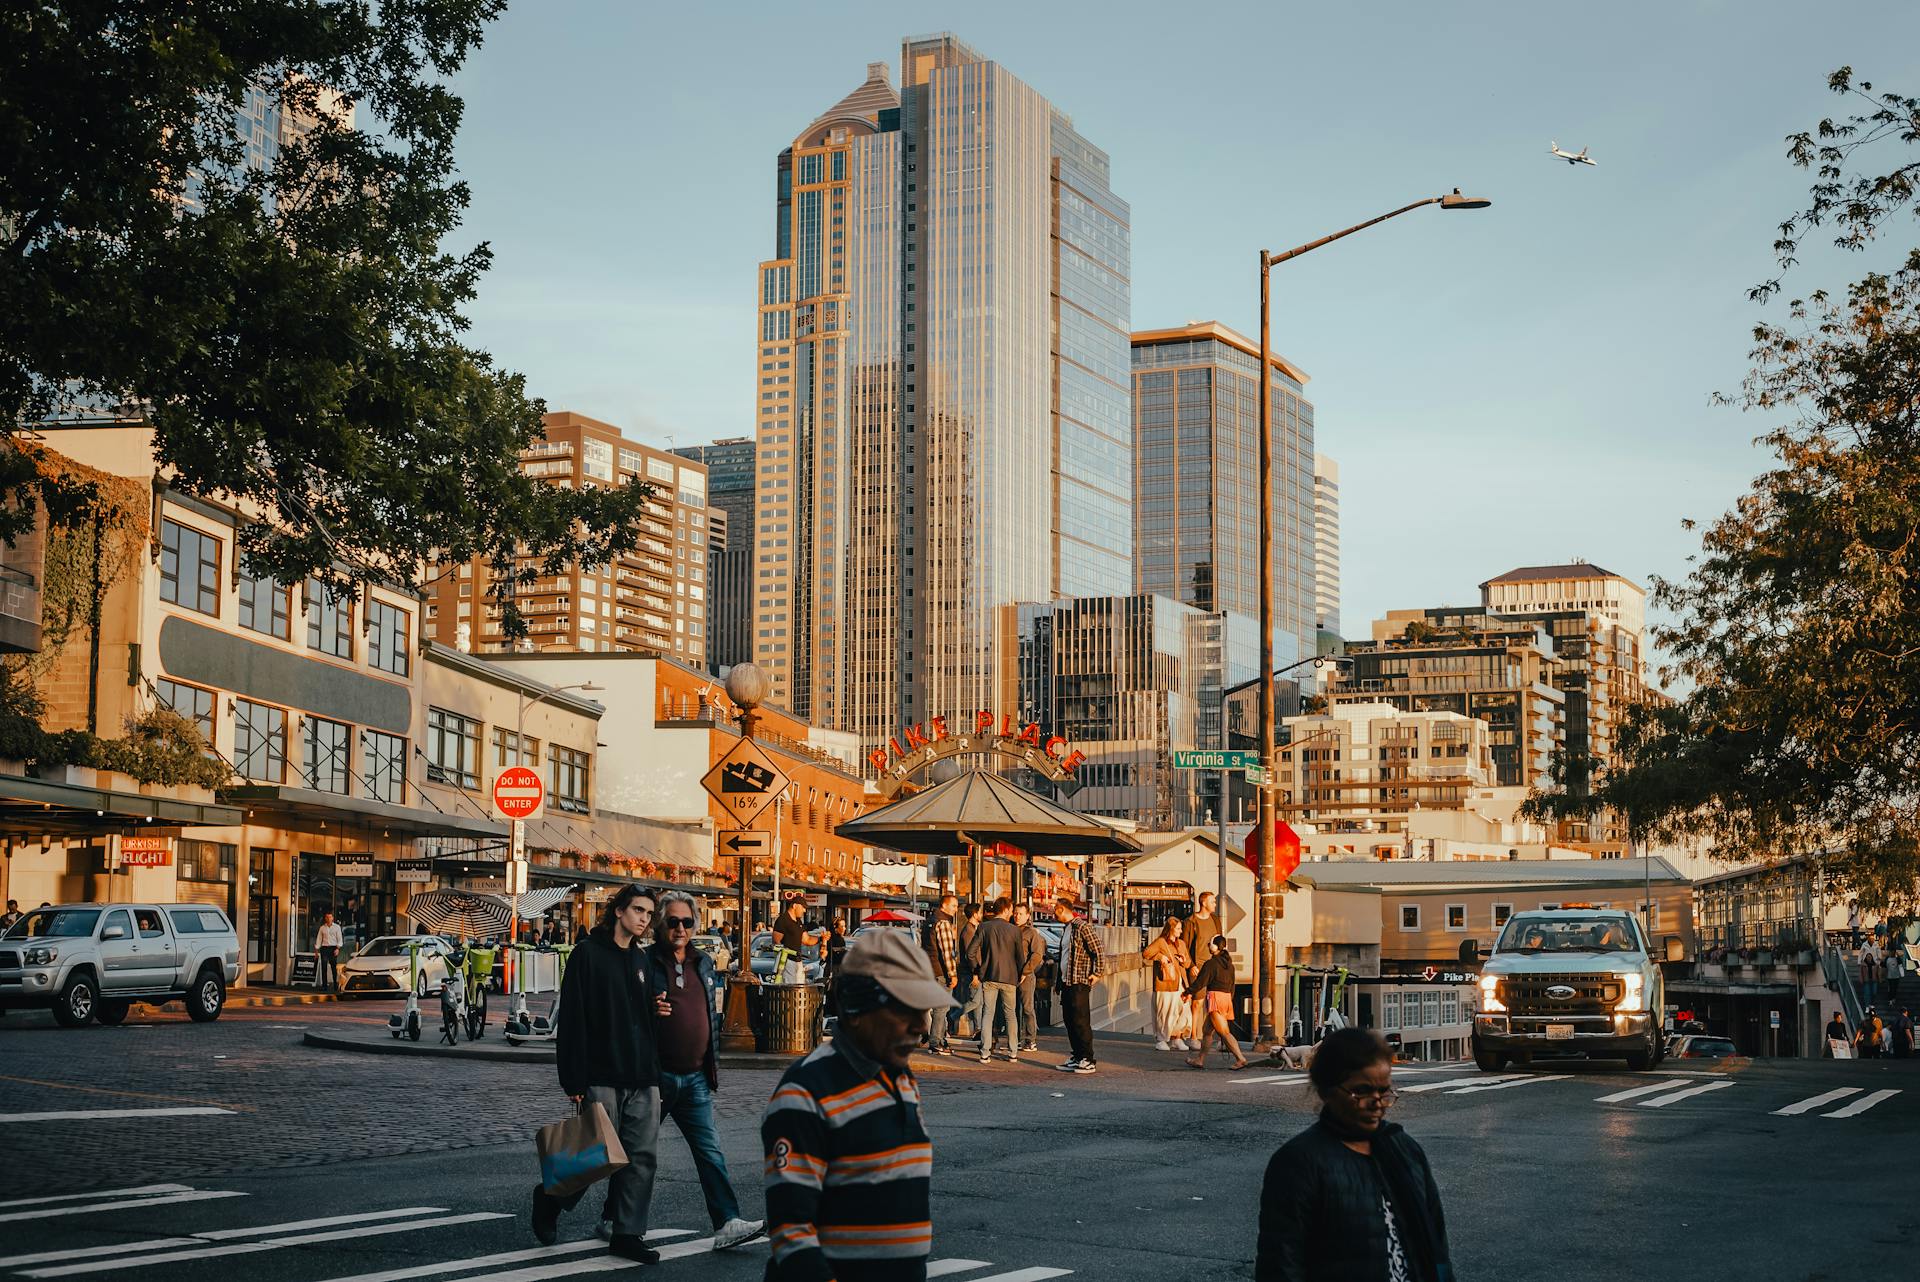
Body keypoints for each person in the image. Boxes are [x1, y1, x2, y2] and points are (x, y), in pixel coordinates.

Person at [762, 928, 953, 1281]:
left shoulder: (899, 1076)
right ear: (855, 1011)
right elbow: (791, 1230)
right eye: (904, 1010)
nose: (920, 1026)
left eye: (922, 1010)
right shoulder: (806, 1093)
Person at [1256, 1027, 1453, 1282]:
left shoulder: (1405, 1149)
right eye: (1361, 1091)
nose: (1377, 1102)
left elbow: (1436, 1245)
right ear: (1326, 1090)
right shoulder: (1298, 1162)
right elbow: (1282, 1265)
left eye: (1384, 1091)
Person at [532, 884, 663, 1264]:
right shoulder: (587, 955)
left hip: (642, 1077)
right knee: (593, 1158)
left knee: (641, 1159)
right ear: (619, 910)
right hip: (602, 1073)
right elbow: (573, 1020)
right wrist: (573, 1080)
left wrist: (656, 1070)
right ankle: (550, 1198)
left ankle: (627, 1233)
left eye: (648, 913)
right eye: (638, 910)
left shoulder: (641, 960)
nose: (643, 919)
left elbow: (642, 1020)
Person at [630, 890, 764, 1250]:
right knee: (633, 1155)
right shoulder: (642, 963)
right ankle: (600, 1214)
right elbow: (626, 1014)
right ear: (660, 923)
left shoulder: (703, 963)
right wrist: (646, 1010)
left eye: (686, 922)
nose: (679, 928)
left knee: (710, 1151)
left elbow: (708, 1013)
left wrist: (710, 1064)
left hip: (695, 1078)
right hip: (654, 1078)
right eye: (672, 921)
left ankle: (727, 1222)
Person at [967, 897, 1025, 1063]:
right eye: (1011, 910)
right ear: (1006, 910)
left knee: (988, 1013)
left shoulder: (984, 927)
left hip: (989, 976)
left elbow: (970, 953)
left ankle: (985, 1052)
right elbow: (1020, 957)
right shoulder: (1015, 931)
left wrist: (978, 969)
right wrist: (1020, 973)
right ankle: (1013, 1051)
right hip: (1009, 977)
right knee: (1011, 1015)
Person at [1053, 901, 1104, 1075]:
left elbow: (1098, 949)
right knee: (1070, 1020)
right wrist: (1058, 983)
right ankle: (1077, 1056)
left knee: (1081, 1021)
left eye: (1055, 911)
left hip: (1079, 981)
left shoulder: (1082, 927)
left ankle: (1088, 1059)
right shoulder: (1067, 928)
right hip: (1067, 981)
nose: (1054, 915)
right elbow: (1065, 956)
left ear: (1062, 909)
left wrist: (1097, 973)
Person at [1185, 935, 1249, 1070]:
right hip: (1226, 999)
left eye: (1210, 944)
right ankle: (1200, 1060)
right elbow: (1232, 985)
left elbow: (1201, 982)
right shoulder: (1230, 965)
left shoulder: (1211, 964)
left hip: (1215, 999)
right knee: (1207, 1030)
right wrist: (1228, 999)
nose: (1208, 946)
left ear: (1214, 947)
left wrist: (1187, 992)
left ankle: (1240, 1058)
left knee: (1224, 1032)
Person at [1142, 918, 1192, 1051]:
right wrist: (1160, 957)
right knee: (1166, 1011)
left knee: (1183, 1010)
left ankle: (1177, 1037)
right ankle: (1161, 1038)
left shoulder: (1181, 944)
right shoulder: (1161, 942)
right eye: (1178, 929)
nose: (1181, 932)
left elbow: (1187, 964)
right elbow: (1146, 953)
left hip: (1181, 982)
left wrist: (1184, 960)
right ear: (1171, 929)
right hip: (1166, 983)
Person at [921, 893, 961, 1055]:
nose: (956, 909)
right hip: (940, 971)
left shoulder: (929, 921)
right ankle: (935, 1042)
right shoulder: (943, 923)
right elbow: (947, 952)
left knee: (939, 1007)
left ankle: (941, 1040)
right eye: (953, 906)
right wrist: (952, 973)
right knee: (941, 1008)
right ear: (944, 906)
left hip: (929, 969)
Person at [1184, 893, 1225, 1046]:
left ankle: (1217, 1037)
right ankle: (1193, 1036)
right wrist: (1191, 965)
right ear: (1203, 902)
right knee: (1197, 1002)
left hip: (1214, 966)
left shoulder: (1215, 920)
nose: (1215, 904)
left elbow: (1220, 942)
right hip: (1198, 967)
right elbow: (1185, 946)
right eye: (1212, 901)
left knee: (1215, 1003)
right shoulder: (1191, 922)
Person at [1011, 903, 1045, 1053]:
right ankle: (1017, 1039)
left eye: (1020, 914)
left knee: (1027, 1008)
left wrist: (1025, 972)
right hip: (1011, 975)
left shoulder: (1032, 933)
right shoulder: (1010, 930)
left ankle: (1030, 1040)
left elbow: (1037, 955)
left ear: (1027, 916)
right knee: (1012, 1008)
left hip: (1026, 976)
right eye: (1015, 913)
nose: (1017, 916)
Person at [772, 899, 824, 984]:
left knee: (799, 987)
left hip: (798, 961)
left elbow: (806, 940)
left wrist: (821, 938)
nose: (804, 910)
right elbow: (776, 941)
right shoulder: (783, 920)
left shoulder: (798, 921)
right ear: (794, 906)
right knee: (790, 987)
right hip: (787, 961)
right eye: (803, 907)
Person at [955, 902, 985, 1041]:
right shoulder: (968, 931)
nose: (982, 914)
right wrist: (975, 974)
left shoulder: (973, 929)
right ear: (974, 914)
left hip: (975, 972)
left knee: (978, 1002)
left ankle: (978, 1030)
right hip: (971, 972)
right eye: (980, 912)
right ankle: (953, 1016)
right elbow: (970, 955)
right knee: (976, 1002)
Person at [315, 912, 344, 990]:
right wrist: (316, 951)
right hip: (324, 948)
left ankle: (335, 984)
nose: (328, 919)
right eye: (327, 917)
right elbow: (319, 939)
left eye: (330, 917)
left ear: (332, 918)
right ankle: (324, 985)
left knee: (333, 966)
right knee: (324, 966)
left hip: (333, 948)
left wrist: (338, 948)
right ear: (325, 918)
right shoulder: (322, 928)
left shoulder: (337, 927)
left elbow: (340, 939)